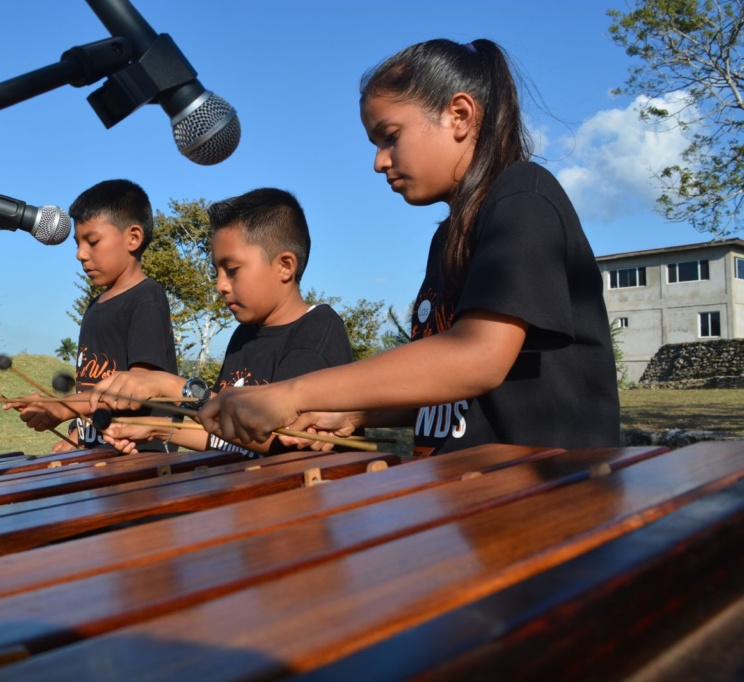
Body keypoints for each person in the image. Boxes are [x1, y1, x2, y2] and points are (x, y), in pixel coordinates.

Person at [199, 39, 620, 457]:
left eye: (390, 137)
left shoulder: (523, 198)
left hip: (549, 492)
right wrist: (359, 414)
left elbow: (476, 358)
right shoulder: (449, 235)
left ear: (459, 115)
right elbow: (462, 394)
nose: (379, 161)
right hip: (471, 490)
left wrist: (293, 393)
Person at [89, 187, 354, 456]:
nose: (220, 285)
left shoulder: (317, 332)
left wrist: (176, 387)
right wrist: (159, 429)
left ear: (285, 265)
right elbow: (223, 431)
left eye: (232, 270)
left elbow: (282, 440)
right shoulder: (243, 336)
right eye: (216, 271)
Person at [5, 179, 178, 452]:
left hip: (139, 456)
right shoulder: (95, 306)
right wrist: (77, 434)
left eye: (92, 241)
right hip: (98, 454)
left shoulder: (147, 298)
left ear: (133, 238)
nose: (80, 254)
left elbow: (139, 389)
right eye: (77, 243)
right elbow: (88, 389)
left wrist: (63, 407)